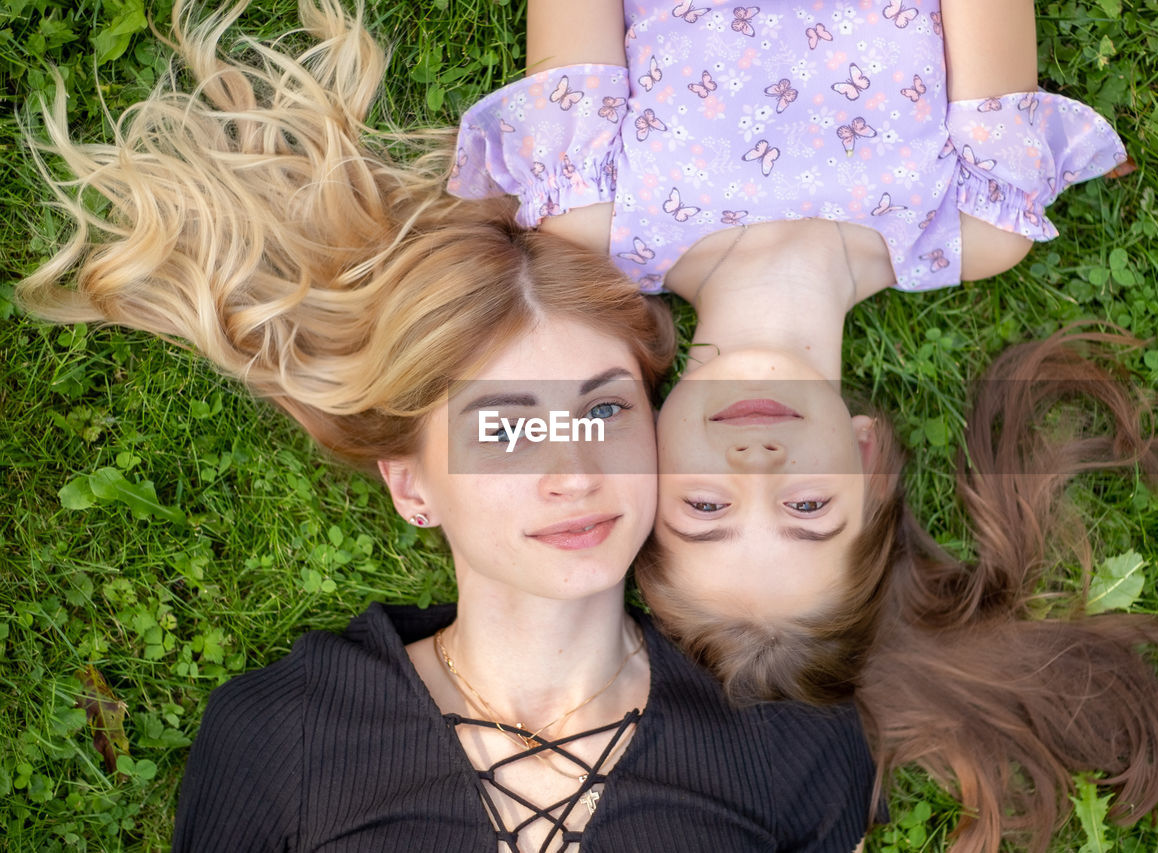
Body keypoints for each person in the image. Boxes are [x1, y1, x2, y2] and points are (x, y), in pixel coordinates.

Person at [17, 1, 878, 850]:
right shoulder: (279, 738)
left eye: (606, 407)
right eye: (503, 428)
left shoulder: (788, 742)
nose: (573, 472)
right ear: (413, 483)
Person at [447, 2, 1158, 850]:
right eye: (808, 510)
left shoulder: (590, 211)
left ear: (649, 459)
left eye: (705, 508)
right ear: (870, 460)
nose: (757, 467)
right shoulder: (977, 221)